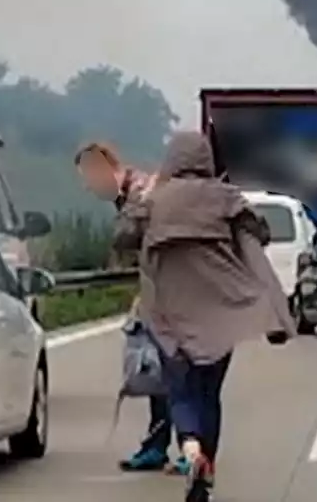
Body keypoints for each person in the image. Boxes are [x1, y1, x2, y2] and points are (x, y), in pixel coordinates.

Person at [113, 131, 293, 502]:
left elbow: (122, 237)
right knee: (209, 393)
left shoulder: (156, 201)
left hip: (168, 316)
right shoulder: (226, 197)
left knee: (180, 390)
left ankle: (190, 447)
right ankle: (203, 471)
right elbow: (260, 233)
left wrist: (142, 202)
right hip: (218, 313)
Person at [73, 142, 188, 475]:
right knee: (155, 370)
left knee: (176, 372)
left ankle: (187, 446)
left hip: (176, 293)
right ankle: (158, 445)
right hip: (158, 292)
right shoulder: (130, 194)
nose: (88, 186)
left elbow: (129, 237)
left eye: (89, 177)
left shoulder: (140, 192)